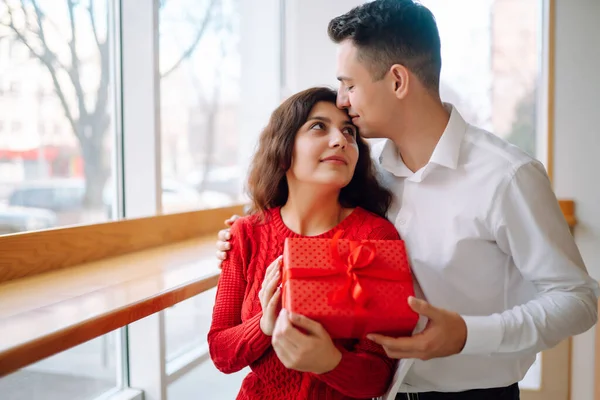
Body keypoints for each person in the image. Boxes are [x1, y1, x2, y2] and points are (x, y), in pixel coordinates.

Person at [216, 1, 599, 399]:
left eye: (349, 84)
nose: (343, 100)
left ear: (398, 80)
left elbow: (577, 299)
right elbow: (297, 216)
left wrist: (469, 334)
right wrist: (238, 236)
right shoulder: (370, 176)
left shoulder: (506, 176)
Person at [207, 86, 404, 400]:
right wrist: (263, 325)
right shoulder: (245, 233)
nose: (341, 139)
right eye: (318, 126)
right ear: (284, 147)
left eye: (349, 132)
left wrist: (330, 362)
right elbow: (221, 353)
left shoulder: (376, 237)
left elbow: (380, 376)